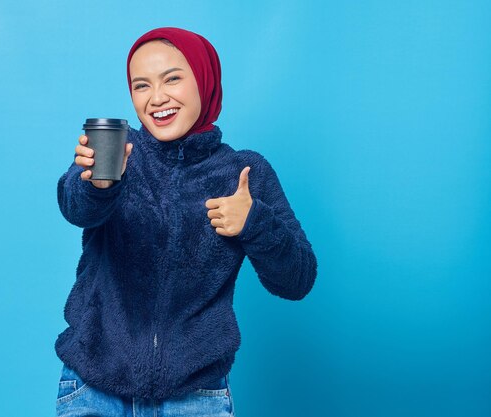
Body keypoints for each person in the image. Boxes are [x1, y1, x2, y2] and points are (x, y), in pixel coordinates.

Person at [54, 27, 318, 417]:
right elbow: (75, 207)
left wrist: (254, 223)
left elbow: (298, 280)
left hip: (196, 398)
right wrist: (98, 184)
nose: (157, 98)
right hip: (93, 390)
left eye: (173, 78)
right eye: (140, 85)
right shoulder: (117, 153)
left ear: (204, 79)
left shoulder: (244, 172)